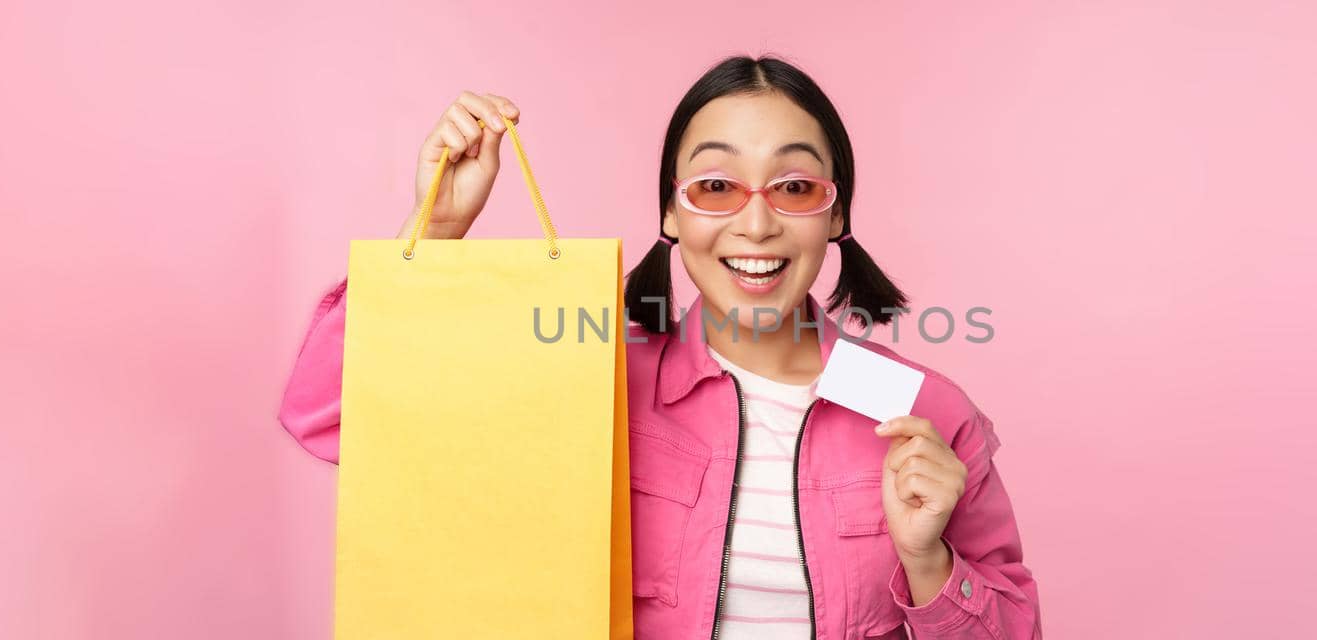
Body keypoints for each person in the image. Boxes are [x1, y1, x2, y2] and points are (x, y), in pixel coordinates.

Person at [278, 55, 1042, 639]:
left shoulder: (924, 412)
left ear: (835, 214)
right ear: (671, 214)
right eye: (715, 186)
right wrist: (436, 233)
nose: (755, 223)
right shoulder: (589, 375)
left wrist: (930, 563)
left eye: (794, 187)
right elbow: (330, 417)